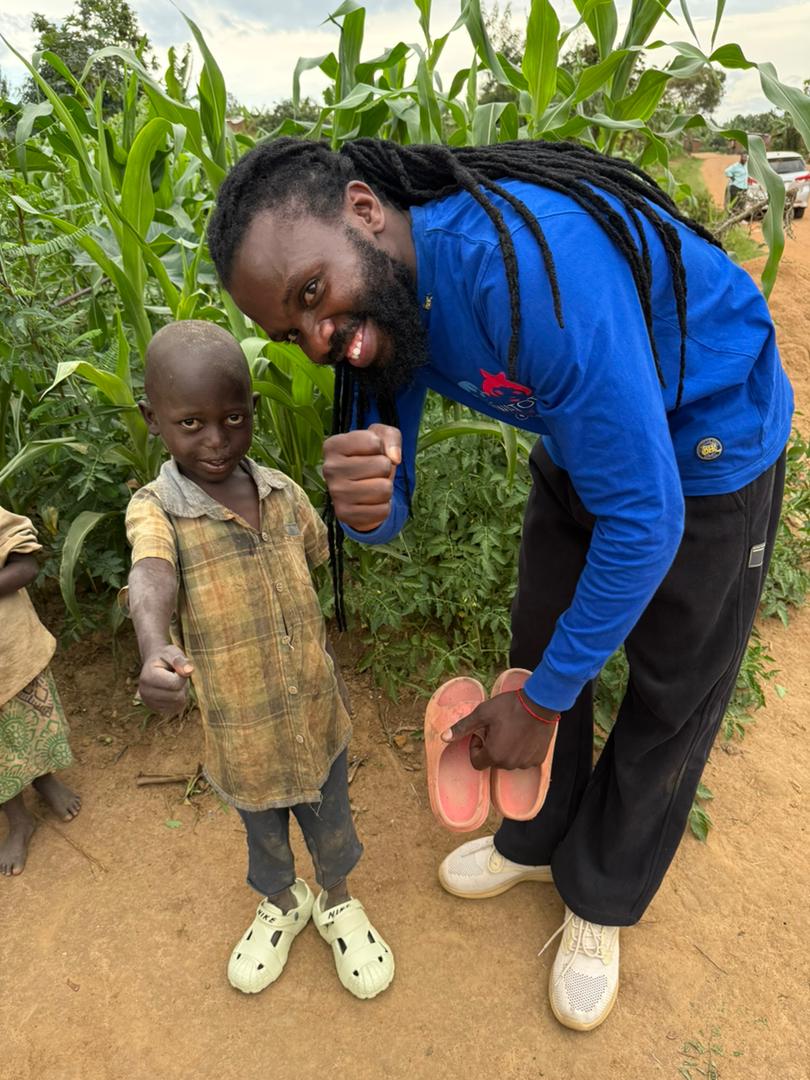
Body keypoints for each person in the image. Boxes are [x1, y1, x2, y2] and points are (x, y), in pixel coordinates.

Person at [206, 138, 793, 1030]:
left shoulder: (523, 266)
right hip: (586, 433)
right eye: (292, 332)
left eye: (312, 294)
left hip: (709, 437)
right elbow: (388, 503)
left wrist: (544, 704)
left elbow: (647, 519)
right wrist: (369, 507)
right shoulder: (380, 316)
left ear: (364, 211)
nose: (319, 341)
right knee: (541, 636)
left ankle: (600, 895)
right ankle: (536, 837)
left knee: (670, 693)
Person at [124, 321, 394, 999]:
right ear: (153, 419)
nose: (216, 439)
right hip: (242, 731)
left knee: (333, 822)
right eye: (191, 423)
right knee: (263, 832)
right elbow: (151, 573)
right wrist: (154, 646)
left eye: (234, 418)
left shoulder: (282, 494)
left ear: (252, 410)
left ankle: (337, 899)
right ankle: (282, 901)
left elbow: (317, 558)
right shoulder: (157, 510)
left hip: (315, 712)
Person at [0, 504, 80, 877]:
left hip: (10, 651)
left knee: (31, 724)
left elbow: (26, 567)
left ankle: (45, 780)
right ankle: (18, 819)